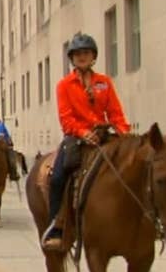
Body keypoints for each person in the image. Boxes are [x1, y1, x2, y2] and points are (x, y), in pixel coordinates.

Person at [41, 33, 130, 250]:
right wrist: (82, 132)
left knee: (130, 167)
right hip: (76, 138)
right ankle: (57, 226)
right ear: (72, 58)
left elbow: (116, 113)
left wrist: (123, 134)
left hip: (103, 135)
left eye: (86, 53)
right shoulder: (64, 85)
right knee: (58, 176)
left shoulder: (104, 83)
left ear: (93, 57)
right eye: (78, 54)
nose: (82, 57)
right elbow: (66, 117)